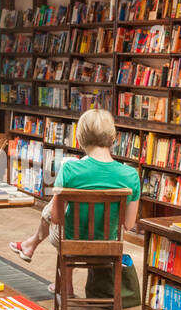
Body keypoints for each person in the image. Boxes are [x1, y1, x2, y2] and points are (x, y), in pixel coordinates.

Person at [9, 108, 140, 289]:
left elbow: (56, 218)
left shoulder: (70, 169)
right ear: (114, 138)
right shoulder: (131, 175)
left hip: (72, 243)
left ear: (80, 138)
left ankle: (37, 252)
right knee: (66, 214)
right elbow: (129, 224)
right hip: (109, 246)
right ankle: (37, 254)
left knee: (57, 213)